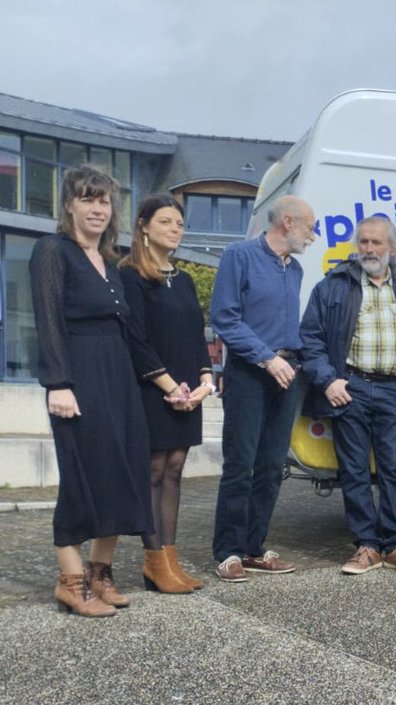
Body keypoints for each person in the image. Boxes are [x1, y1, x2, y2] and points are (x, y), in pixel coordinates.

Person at [30, 164, 153, 617]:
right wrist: (58, 383)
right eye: (88, 199)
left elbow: (130, 334)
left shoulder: (111, 260)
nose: (98, 208)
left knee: (122, 471)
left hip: (118, 376)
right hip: (78, 376)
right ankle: (71, 581)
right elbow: (47, 320)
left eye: (104, 201)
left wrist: (163, 382)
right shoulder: (52, 251)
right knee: (83, 476)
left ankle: (101, 573)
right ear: (69, 205)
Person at [301, 217, 396, 575]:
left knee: (393, 469)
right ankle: (366, 546)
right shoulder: (332, 286)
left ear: (391, 248)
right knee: (354, 470)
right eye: (363, 242)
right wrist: (329, 380)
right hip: (351, 389)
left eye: (377, 243)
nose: (369, 249)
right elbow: (310, 339)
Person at [210, 195, 315, 582]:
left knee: (271, 466)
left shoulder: (296, 269)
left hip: (288, 374)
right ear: (288, 222)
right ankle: (229, 551)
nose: (313, 235)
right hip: (252, 372)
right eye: (310, 227)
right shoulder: (239, 256)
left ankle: (254, 548)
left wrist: (294, 363)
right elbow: (224, 317)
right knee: (241, 463)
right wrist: (267, 358)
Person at [120, 194, 214, 594]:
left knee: (175, 468)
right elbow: (136, 339)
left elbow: (196, 336)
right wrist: (170, 386)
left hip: (188, 389)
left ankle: (169, 561)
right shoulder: (130, 275)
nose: (175, 229)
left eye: (179, 223)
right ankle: (154, 561)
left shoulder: (186, 278)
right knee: (155, 469)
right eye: (165, 222)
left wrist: (205, 381)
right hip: (152, 387)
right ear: (143, 226)